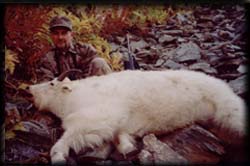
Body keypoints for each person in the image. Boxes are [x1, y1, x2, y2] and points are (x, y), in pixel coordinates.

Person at [36, 15, 112, 81]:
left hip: (88, 90)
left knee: (99, 62)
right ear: (51, 36)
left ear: (71, 34)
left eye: (64, 33)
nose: (60, 37)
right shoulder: (47, 58)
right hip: (62, 94)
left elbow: (97, 71)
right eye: (56, 33)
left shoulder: (86, 50)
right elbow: (45, 82)